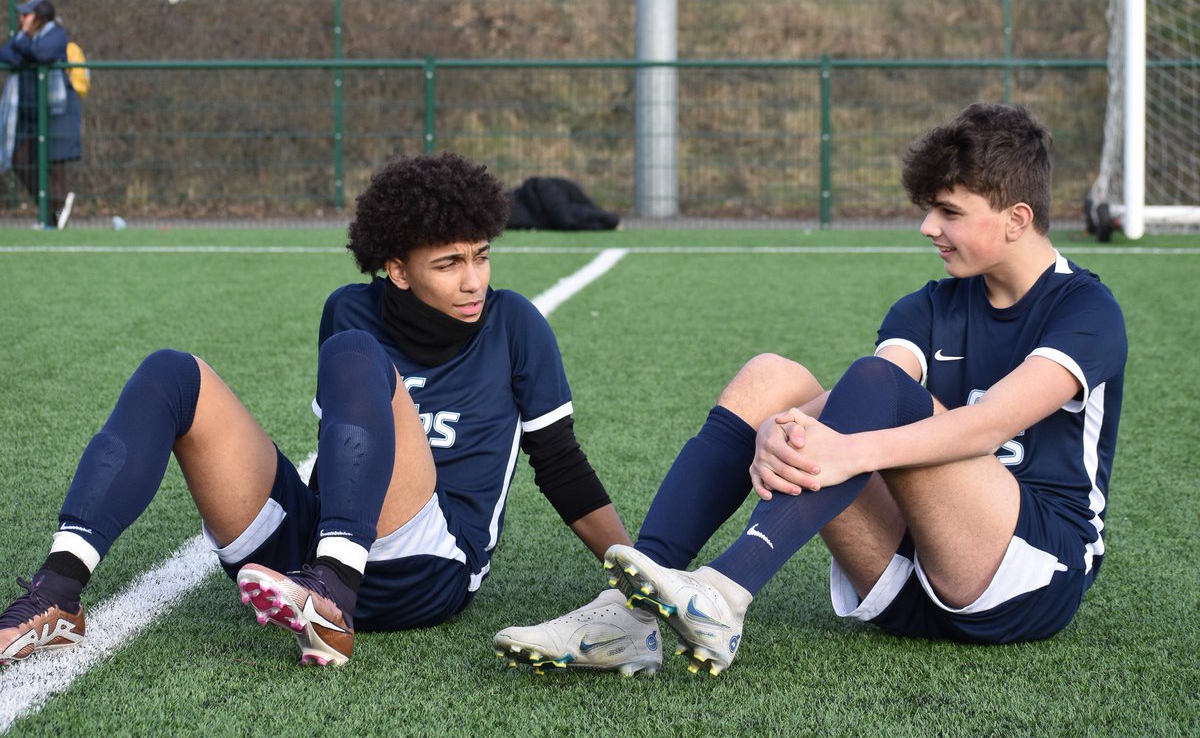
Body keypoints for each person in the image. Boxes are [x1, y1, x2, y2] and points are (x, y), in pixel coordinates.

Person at [495, 102, 1127, 676]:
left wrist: (844, 450)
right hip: (904, 576)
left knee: (871, 391)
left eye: (950, 212)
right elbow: (871, 395)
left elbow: (990, 426)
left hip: (1026, 577)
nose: (927, 227)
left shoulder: (1085, 310)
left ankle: (726, 593)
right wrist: (782, 425)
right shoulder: (929, 305)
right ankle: (627, 612)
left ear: (1017, 219)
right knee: (771, 377)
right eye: (928, 209)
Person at [0, 152, 641, 669]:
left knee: (356, 353)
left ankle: (332, 590)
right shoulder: (349, 308)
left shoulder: (515, 324)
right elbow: (342, 443)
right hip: (313, 550)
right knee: (171, 373)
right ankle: (56, 594)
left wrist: (641, 577)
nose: (474, 280)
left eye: (481, 255)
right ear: (397, 270)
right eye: (449, 263)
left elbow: (560, 465)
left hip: (428, 566)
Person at [0, 0, 83, 228]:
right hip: (29, 114)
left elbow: (43, 54)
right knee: (19, 159)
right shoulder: (23, 37)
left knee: (54, 163)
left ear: (40, 18)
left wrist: (25, 51)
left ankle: (54, 216)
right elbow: (6, 54)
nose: (22, 19)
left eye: (26, 15)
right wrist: (28, 50)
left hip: (55, 112)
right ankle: (52, 210)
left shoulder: (56, 33)